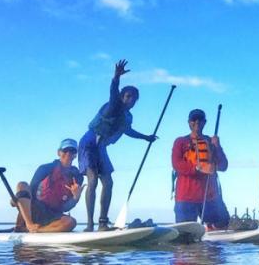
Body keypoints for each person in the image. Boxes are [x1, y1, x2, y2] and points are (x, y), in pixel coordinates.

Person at [78, 60, 156, 231]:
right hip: (89, 143)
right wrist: (116, 77)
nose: (131, 100)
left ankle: (103, 223)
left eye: (134, 98)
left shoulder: (128, 117)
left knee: (108, 182)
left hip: (101, 148)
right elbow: (113, 92)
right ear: (122, 97)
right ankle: (90, 225)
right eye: (128, 96)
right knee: (92, 181)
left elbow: (128, 131)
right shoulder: (113, 106)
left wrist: (146, 137)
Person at [172, 109, 229, 230]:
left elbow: (223, 165)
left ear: (205, 122)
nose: (197, 122)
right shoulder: (180, 142)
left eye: (200, 119)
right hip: (186, 197)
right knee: (184, 236)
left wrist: (218, 147)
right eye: (194, 119)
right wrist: (199, 168)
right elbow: (176, 164)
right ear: (189, 122)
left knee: (222, 226)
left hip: (210, 197)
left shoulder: (211, 142)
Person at [12, 138, 84, 233]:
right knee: (22, 184)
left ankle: (37, 230)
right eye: (65, 150)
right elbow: (28, 192)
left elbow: (65, 208)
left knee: (71, 222)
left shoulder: (77, 177)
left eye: (72, 151)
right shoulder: (45, 168)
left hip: (53, 215)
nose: (68, 154)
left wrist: (76, 198)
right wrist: (16, 200)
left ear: (75, 155)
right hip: (35, 209)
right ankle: (28, 225)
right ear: (59, 153)